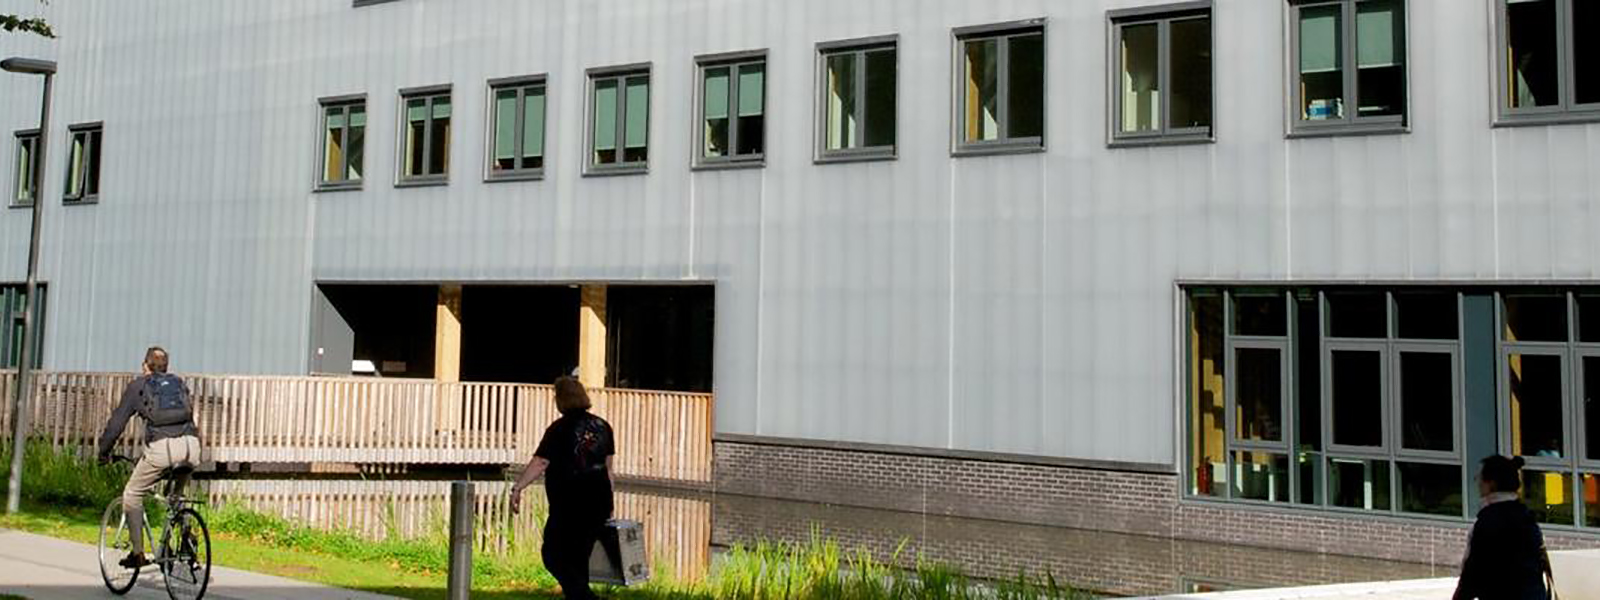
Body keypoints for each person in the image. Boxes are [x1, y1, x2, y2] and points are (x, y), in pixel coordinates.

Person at [96, 347, 203, 569]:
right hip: (192, 447)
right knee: (175, 498)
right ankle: (185, 537)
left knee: (132, 493)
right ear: (166, 367)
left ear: (145, 365)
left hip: (163, 449)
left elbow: (117, 424)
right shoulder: (178, 383)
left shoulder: (139, 386)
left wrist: (104, 452)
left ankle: (138, 554)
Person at [510, 376, 615, 600]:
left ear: (562, 399)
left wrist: (518, 487)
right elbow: (608, 470)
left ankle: (587, 598)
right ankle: (580, 596)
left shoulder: (559, 429)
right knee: (579, 558)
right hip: (598, 502)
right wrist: (610, 504)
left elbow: (541, 462)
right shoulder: (603, 427)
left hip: (569, 503)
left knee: (553, 555)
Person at [1454, 455, 1554, 600]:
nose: (1478, 482)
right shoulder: (1527, 518)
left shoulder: (1487, 522)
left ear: (1491, 484)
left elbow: (1472, 572)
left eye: (1480, 478)